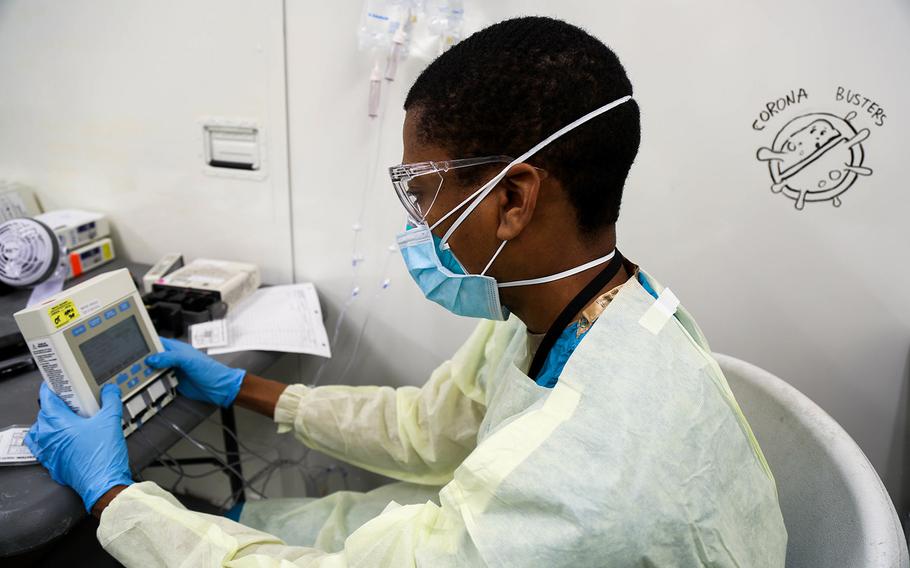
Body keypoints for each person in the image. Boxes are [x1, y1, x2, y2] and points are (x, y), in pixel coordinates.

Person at [25, 16, 787, 567]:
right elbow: (429, 428)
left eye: (423, 190)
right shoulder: (589, 310)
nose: (417, 221)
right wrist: (247, 390)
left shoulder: (580, 490)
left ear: (513, 201)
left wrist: (114, 501)